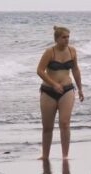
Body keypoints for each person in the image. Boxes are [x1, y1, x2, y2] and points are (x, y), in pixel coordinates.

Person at [36, 26, 84, 160]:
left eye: (68, 37)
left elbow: (75, 70)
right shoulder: (49, 52)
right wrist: (54, 84)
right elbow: (40, 70)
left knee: (64, 123)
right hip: (48, 91)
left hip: (67, 90)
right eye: (64, 37)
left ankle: (65, 156)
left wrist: (80, 89)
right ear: (57, 39)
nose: (67, 40)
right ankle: (45, 156)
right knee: (47, 126)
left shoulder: (72, 51)